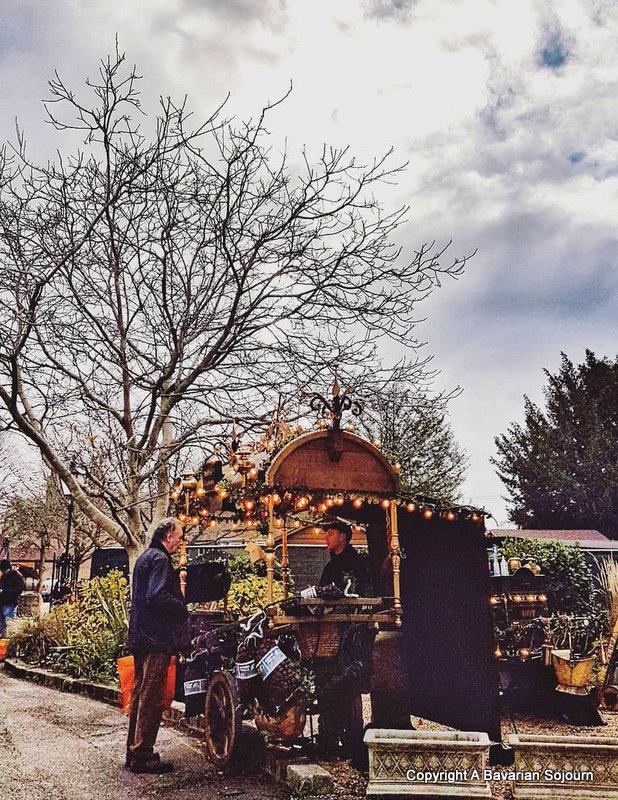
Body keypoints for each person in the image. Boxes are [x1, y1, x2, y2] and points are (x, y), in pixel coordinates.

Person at [126, 517, 190, 774]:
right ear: (167, 536)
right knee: (151, 696)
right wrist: (181, 607)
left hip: (141, 635)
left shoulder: (145, 557)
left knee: (140, 694)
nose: (181, 541)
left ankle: (134, 750)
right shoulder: (161, 560)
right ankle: (143, 754)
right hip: (156, 638)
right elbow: (157, 595)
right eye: (179, 536)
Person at [319, 519, 368, 596]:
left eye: (330, 534)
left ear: (342, 537)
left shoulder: (356, 564)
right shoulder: (330, 566)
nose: (326, 538)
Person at [0, 559, 26, 637]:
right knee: (2, 621)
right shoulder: (5, 576)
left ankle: (10, 637)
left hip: (10, 602)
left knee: (9, 620)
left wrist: (3, 591)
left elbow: (18, 590)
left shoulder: (16, 576)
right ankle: (4, 637)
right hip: (3, 602)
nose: (3, 572)